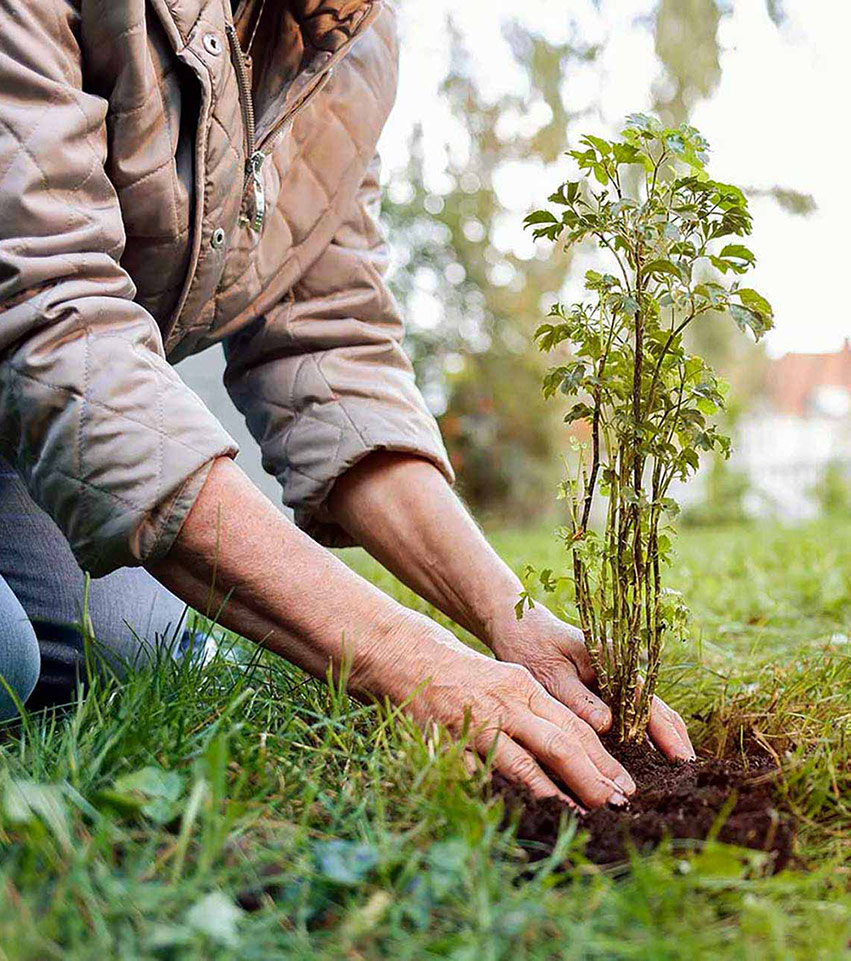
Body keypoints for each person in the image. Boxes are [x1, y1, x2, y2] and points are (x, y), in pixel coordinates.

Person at [0, 0, 693, 808]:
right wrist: (405, 656)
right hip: (36, 358)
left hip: (20, 412)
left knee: (144, 650)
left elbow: (329, 346)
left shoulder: (347, 43)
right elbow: (54, 312)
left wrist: (511, 617)